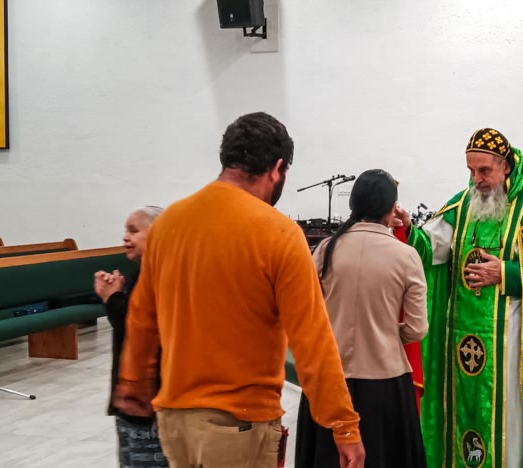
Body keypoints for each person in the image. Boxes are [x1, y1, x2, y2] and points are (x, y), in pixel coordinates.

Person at [114, 112, 365, 468]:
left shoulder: (169, 223)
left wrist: (133, 384)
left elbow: (142, 318)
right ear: (277, 168)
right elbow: (312, 339)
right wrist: (343, 424)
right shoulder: (278, 233)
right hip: (238, 423)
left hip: (173, 419)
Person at [401, 128, 523, 467]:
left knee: (507, 422)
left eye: (484, 170)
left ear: (506, 166)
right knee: (465, 414)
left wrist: (505, 274)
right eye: (471, 170)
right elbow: (432, 251)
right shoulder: (463, 204)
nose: (476, 179)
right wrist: (408, 229)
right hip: (462, 340)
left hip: (513, 339)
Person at [297, 169, 428, 468]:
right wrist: (385, 333)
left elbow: (309, 314)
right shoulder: (406, 256)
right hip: (386, 383)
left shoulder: (326, 249)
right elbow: (417, 328)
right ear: (391, 209)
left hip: (330, 380)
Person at [94, 206, 167, 468]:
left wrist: (112, 298)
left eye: (134, 231)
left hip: (148, 408)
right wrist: (117, 295)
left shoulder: (159, 276)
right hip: (138, 406)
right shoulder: (146, 272)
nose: (125, 237)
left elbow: (139, 332)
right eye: (125, 230)